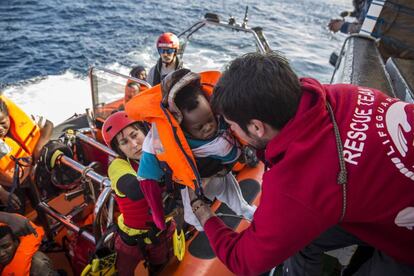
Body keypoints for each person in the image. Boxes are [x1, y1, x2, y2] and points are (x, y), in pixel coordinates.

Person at [184, 52, 414, 275]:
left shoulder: (298, 183)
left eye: (231, 125)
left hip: (405, 242)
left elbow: (243, 261)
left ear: (256, 127)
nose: (231, 131)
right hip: (391, 197)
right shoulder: (342, 94)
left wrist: (203, 213)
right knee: (303, 240)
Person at [132, 69, 256, 231]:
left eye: (210, 120)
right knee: (192, 217)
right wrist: (158, 214)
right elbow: (145, 176)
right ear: (182, 127)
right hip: (194, 186)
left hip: (222, 176)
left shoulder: (223, 118)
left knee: (235, 198)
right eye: (199, 127)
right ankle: (209, 230)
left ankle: (247, 212)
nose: (209, 127)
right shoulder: (162, 137)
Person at [102, 111, 175, 276]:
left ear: (145, 131)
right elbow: (135, 190)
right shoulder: (118, 165)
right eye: (124, 142)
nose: (134, 144)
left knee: (163, 268)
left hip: (162, 233)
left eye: (135, 135)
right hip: (131, 239)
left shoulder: (162, 150)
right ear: (119, 149)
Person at [0, 96, 53, 212]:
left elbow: (48, 124)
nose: (0, 128)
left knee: (46, 203)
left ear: (8, 115)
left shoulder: (26, 119)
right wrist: (2, 194)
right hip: (9, 185)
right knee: (18, 211)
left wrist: (39, 147)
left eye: (2, 123)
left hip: (34, 172)